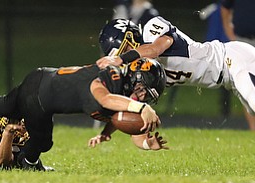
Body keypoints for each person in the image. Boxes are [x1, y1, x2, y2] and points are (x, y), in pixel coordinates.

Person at [0, 59, 167, 170]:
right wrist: (142, 109)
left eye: (147, 97)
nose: (143, 97)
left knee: (0, 104)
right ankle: (29, 163)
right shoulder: (113, 76)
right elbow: (103, 98)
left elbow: (120, 119)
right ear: (136, 77)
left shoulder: (121, 94)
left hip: (38, 78)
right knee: (42, 141)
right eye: (144, 91)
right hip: (41, 99)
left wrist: (140, 142)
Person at [96, 17, 255, 141]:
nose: (126, 58)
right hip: (228, 79)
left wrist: (121, 59)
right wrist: (107, 131)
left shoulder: (152, 29)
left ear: (131, 37)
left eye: (125, 50)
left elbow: (155, 49)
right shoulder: (142, 71)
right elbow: (131, 105)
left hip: (233, 58)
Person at [221, 0, 255, 130]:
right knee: (248, 84)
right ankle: (253, 129)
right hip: (243, 40)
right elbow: (225, 8)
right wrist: (230, 34)